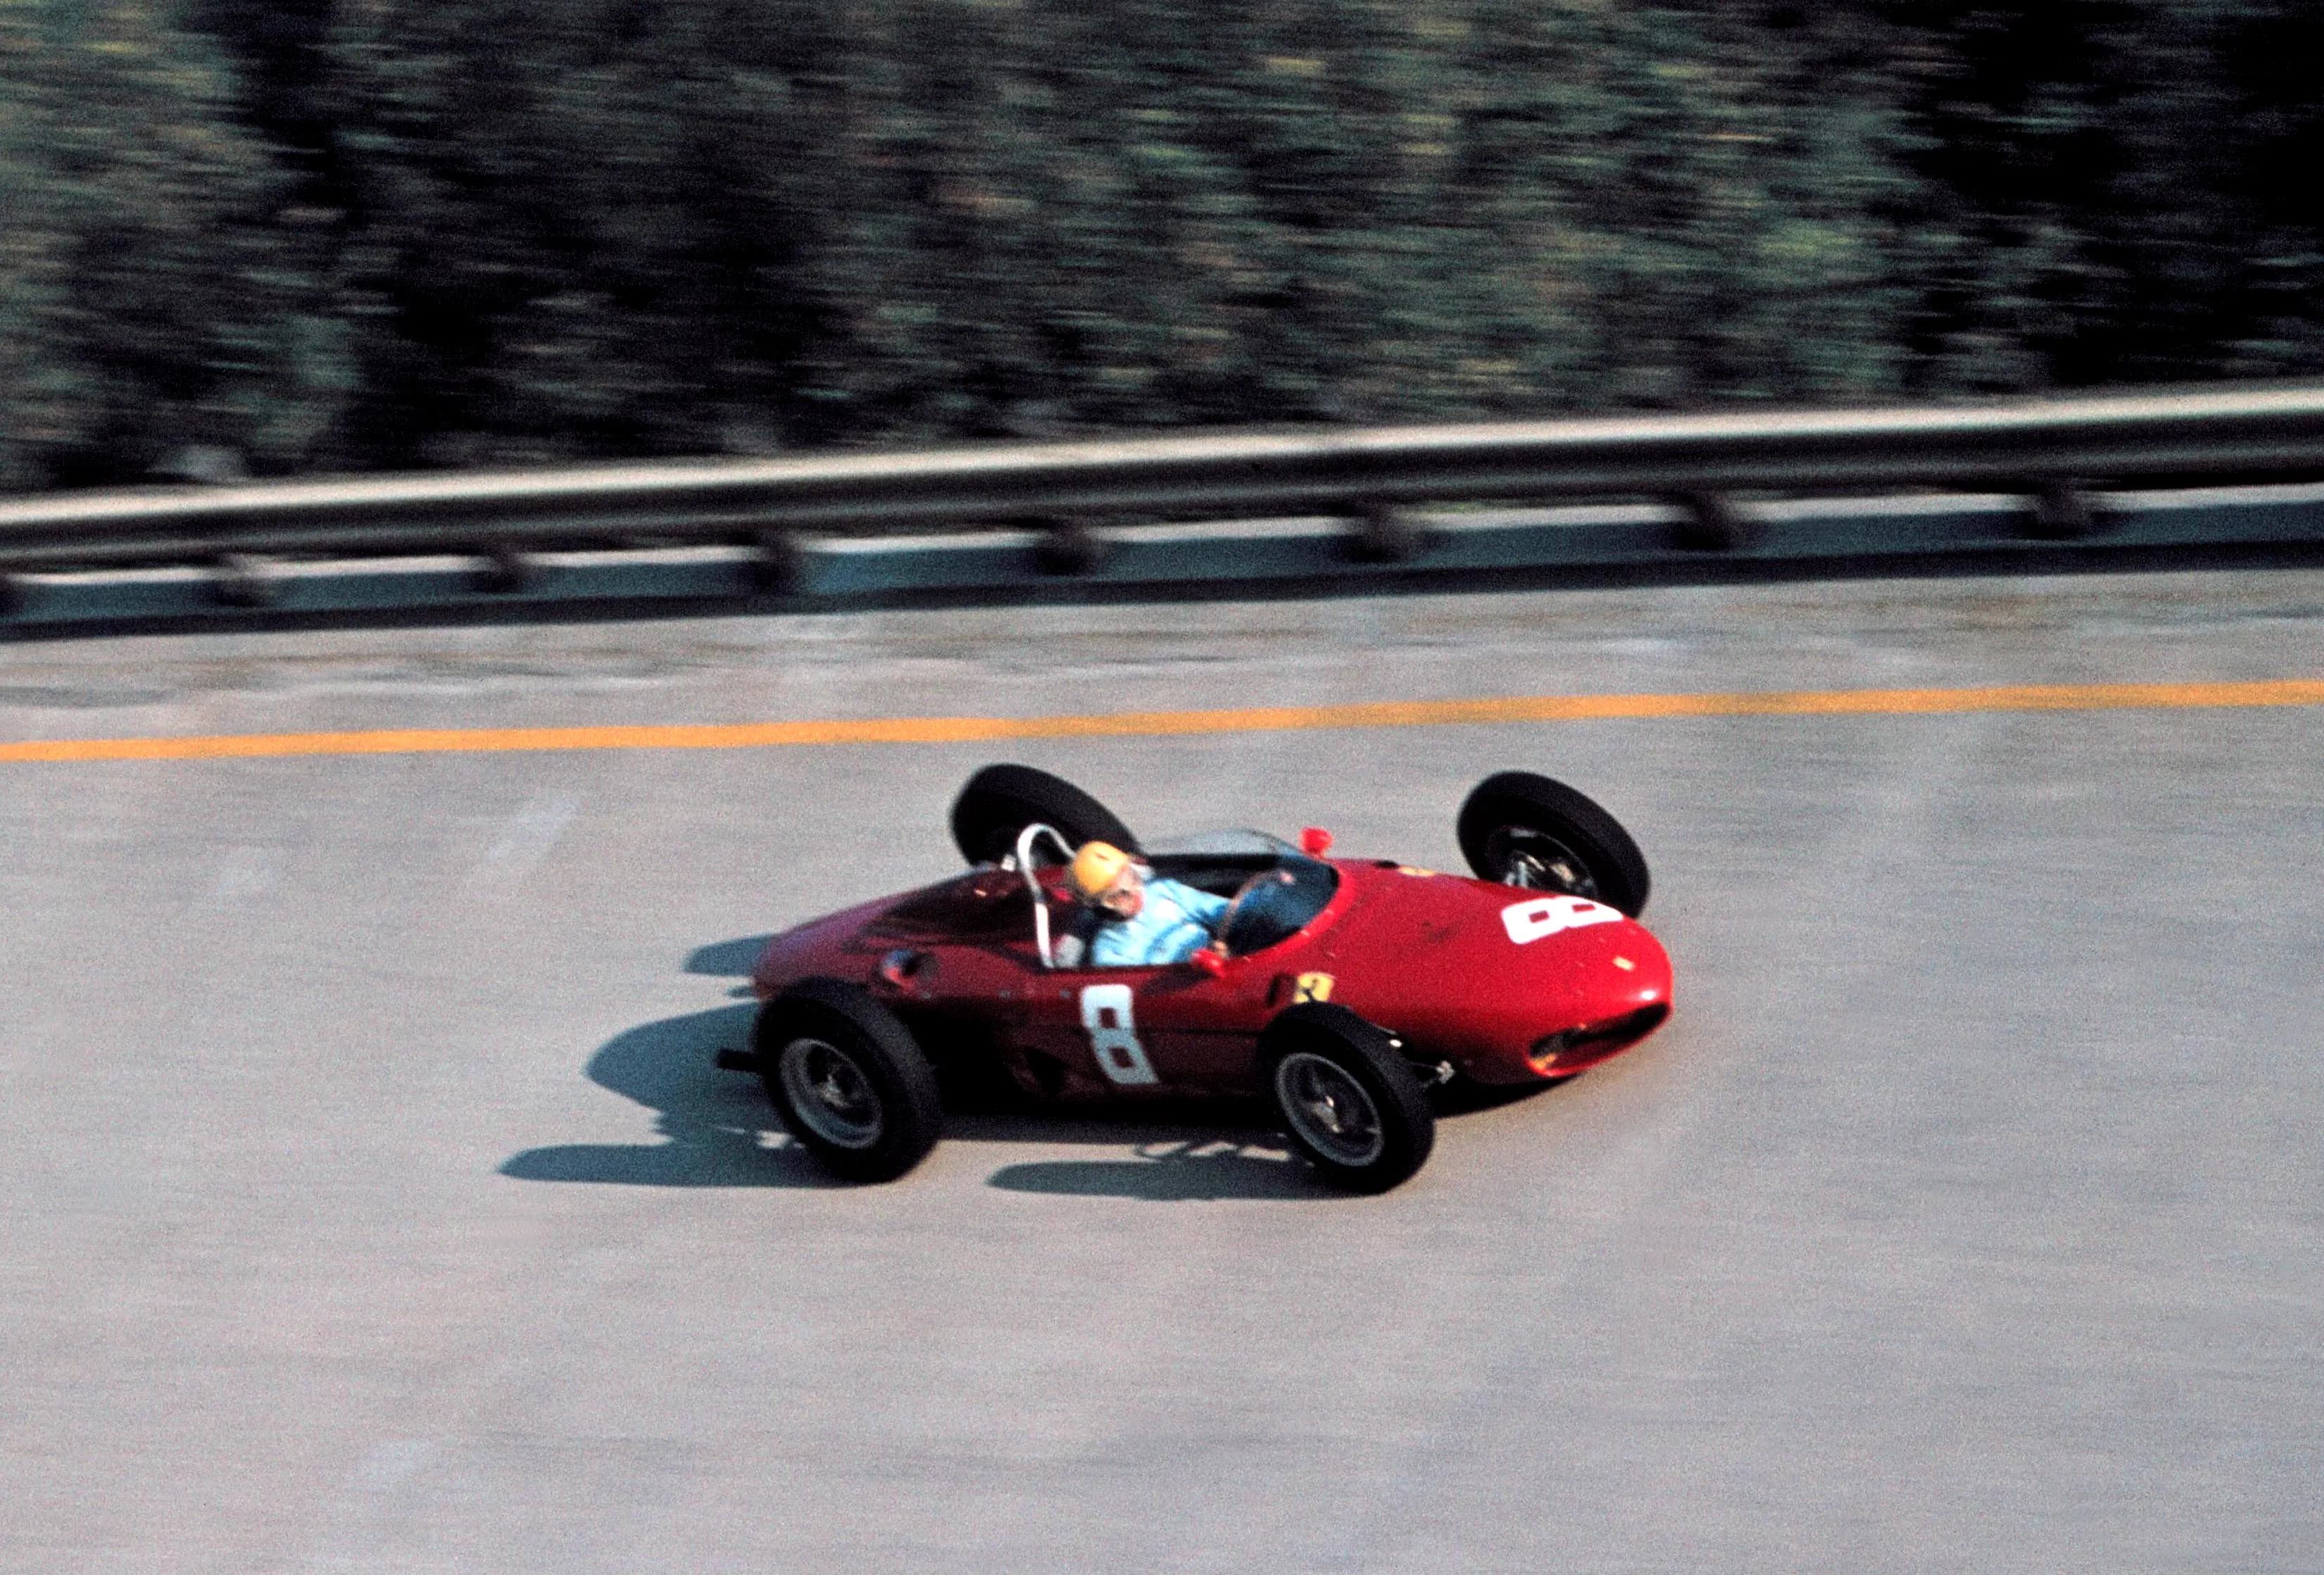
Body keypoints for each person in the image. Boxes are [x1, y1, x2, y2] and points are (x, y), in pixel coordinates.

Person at [1057, 841, 1229, 967]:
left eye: (1130, 876)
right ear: (1102, 907)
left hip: (1229, 956)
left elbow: (1225, 911)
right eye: (1120, 895)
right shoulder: (1110, 954)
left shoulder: (1163, 890)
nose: (1134, 890)